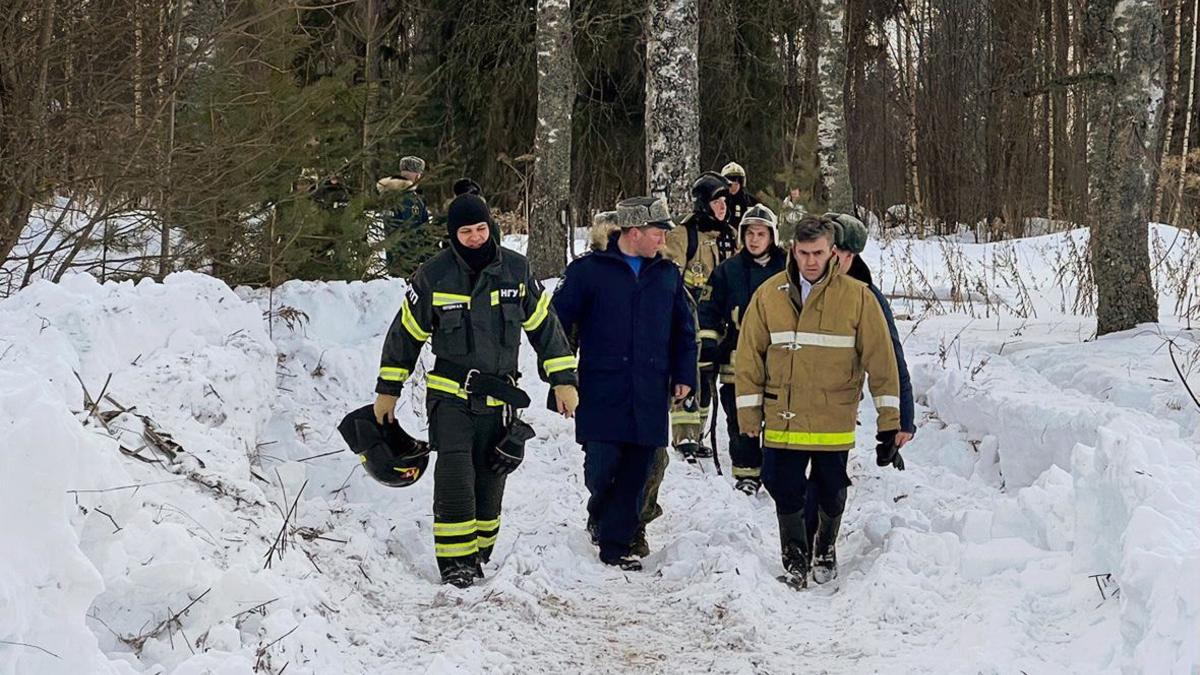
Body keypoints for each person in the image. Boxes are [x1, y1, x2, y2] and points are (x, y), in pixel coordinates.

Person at [373, 193, 579, 588]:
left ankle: (480, 552)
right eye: (466, 231)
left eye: (481, 229)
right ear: (453, 234)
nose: (474, 237)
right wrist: (388, 390)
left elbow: (546, 329)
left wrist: (564, 380)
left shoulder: (517, 272)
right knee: (455, 476)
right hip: (450, 397)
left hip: (500, 401)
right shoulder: (433, 276)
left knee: (489, 481)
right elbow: (404, 336)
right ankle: (455, 565)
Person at [735, 215, 904, 589]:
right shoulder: (768, 295)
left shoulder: (858, 297)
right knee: (783, 485)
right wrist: (748, 413)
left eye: (818, 253)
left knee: (830, 487)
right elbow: (748, 357)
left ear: (832, 253)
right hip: (783, 414)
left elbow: (881, 361)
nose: (811, 261)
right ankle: (795, 559)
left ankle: (825, 548)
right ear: (792, 250)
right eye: (804, 253)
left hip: (833, 416)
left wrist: (889, 417)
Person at [552, 196, 698, 570]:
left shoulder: (666, 274)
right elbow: (556, 328)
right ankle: (602, 518)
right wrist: (560, 379)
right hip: (601, 389)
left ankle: (618, 542)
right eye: (657, 233)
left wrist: (684, 375)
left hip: (649, 389)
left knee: (641, 468)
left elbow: (684, 329)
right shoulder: (587, 272)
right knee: (601, 466)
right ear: (634, 232)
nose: (663, 241)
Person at [696, 204, 787, 495]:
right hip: (736, 361)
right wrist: (709, 345)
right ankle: (747, 474)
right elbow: (707, 309)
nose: (755, 239)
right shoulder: (726, 271)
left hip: (780, 360)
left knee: (777, 418)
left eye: (761, 233)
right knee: (739, 418)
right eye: (749, 233)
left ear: (772, 236)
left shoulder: (789, 269)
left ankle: (776, 474)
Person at [663, 171, 737, 461]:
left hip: (721, 318)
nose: (723, 208)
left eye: (725, 202)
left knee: (709, 378)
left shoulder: (731, 236)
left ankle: (700, 431)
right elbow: (670, 276)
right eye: (717, 201)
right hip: (690, 317)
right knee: (691, 372)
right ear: (703, 203)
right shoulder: (683, 235)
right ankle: (684, 438)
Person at [378, 155, 433, 277]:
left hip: (396, 258)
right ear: (417, 175)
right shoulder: (409, 199)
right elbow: (416, 230)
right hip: (409, 260)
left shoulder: (389, 195)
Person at [720, 162, 759, 231]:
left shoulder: (750, 202)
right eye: (730, 185)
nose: (733, 188)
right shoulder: (718, 201)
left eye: (736, 184)